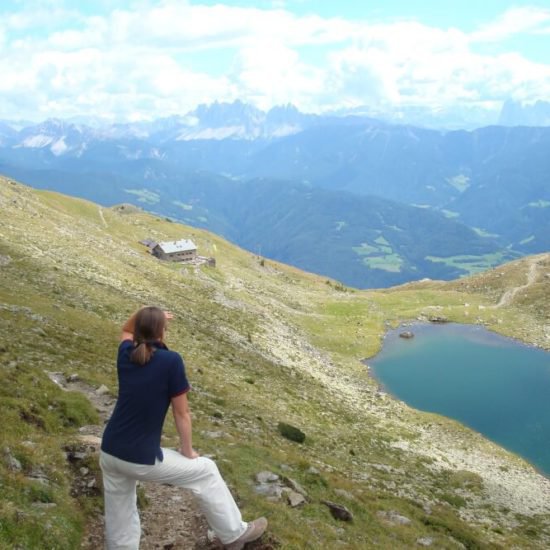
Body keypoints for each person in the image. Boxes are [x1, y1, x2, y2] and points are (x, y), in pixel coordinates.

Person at [100, 306, 267, 549]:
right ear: (162, 332)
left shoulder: (126, 353)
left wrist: (146, 312)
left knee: (120, 514)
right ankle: (234, 534)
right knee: (206, 470)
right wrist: (187, 451)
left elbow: (126, 329)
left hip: (110, 450)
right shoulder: (171, 361)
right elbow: (182, 413)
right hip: (139, 457)